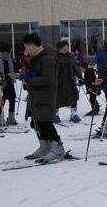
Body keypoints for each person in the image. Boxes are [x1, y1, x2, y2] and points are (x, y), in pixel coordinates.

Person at [22, 33, 66, 163]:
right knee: (38, 123)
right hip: (37, 96)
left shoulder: (47, 58)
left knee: (46, 122)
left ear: (32, 45)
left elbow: (49, 79)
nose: (26, 50)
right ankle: (45, 146)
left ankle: (57, 148)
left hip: (45, 96)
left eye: (26, 47)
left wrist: (30, 79)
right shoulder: (36, 57)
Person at [55, 41, 82, 123]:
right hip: (58, 80)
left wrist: (79, 76)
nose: (66, 50)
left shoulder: (70, 56)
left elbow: (75, 67)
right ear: (59, 48)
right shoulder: (55, 56)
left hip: (70, 80)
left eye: (67, 48)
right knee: (57, 97)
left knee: (73, 96)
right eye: (64, 49)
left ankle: (74, 114)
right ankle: (55, 114)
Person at [0, 44, 19, 125]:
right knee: (2, 101)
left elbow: (14, 68)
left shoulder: (10, 59)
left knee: (12, 99)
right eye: (7, 52)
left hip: (10, 82)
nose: (8, 54)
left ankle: (11, 118)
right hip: (2, 84)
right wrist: (6, 75)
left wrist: (14, 74)